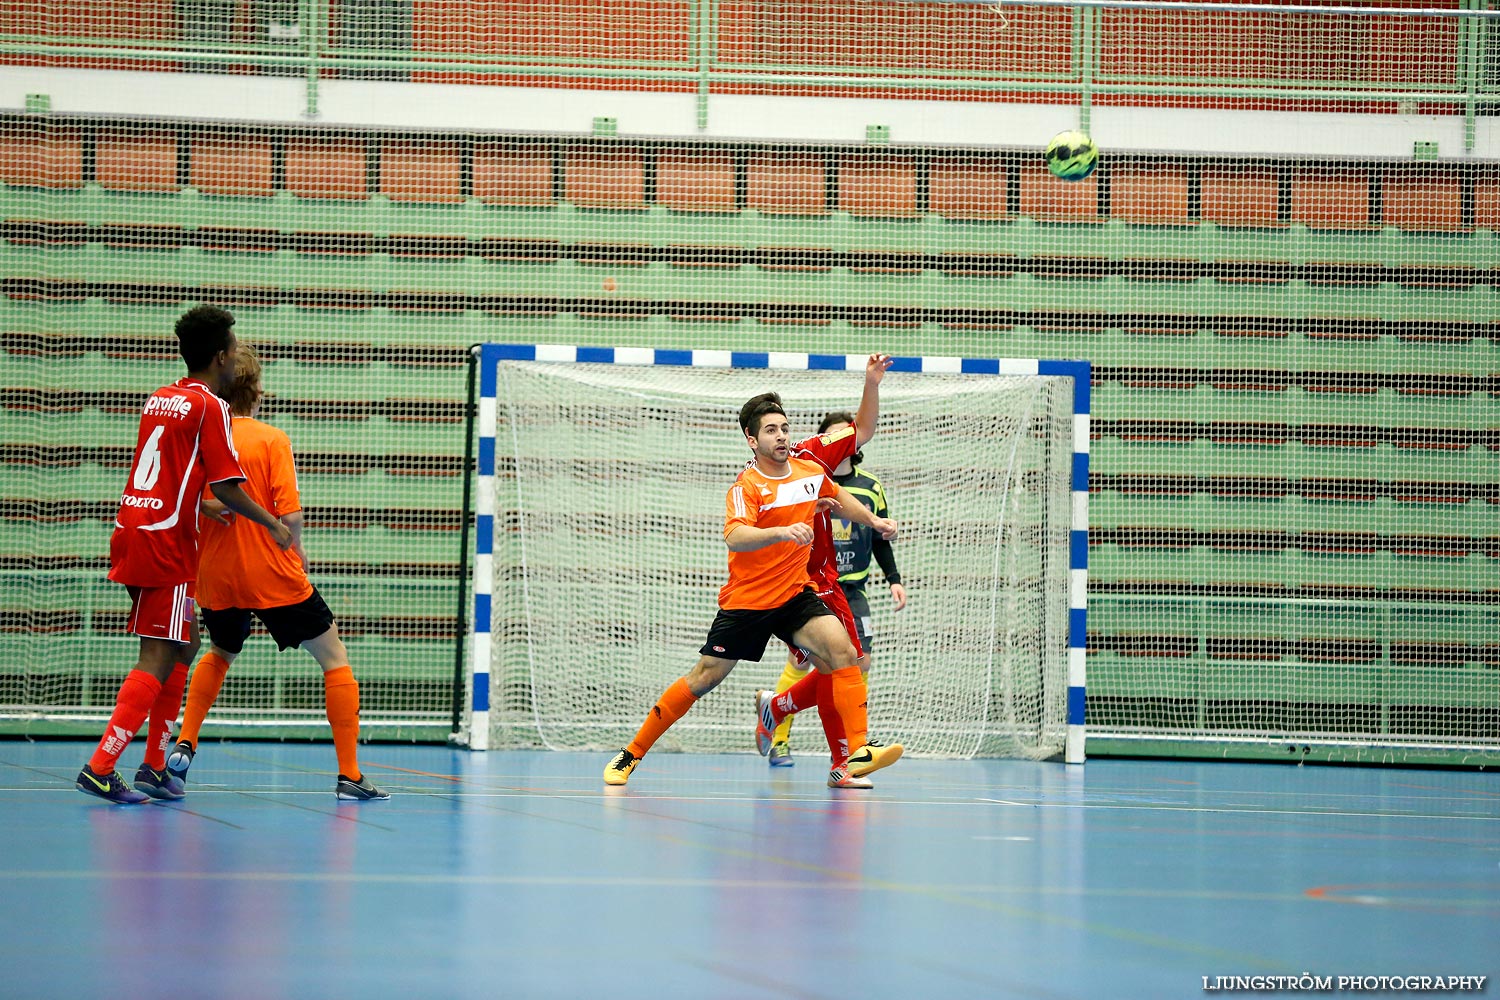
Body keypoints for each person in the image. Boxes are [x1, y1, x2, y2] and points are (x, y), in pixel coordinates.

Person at [603, 387, 904, 789]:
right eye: (770, 431)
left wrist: (875, 522)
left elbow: (838, 496)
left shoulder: (809, 472)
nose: (780, 436)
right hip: (747, 601)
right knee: (703, 678)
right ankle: (632, 753)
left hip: (795, 595)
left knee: (844, 652)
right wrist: (783, 530)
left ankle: (859, 750)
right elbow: (735, 535)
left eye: (783, 428)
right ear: (752, 440)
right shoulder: (746, 486)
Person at [76, 306, 293, 804]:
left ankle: (154, 766)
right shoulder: (210, 407)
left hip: (133, 528)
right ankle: (101, 765)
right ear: (220, 357)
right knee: (157, 654)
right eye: (234, 346)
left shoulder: (162, 397)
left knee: (187, 642)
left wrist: (201, 504)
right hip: (166, 543)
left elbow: (165, 474)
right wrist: (272, 524)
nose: (237, 353)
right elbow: (231, 485)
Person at [165, 345, 389, 801]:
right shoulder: (271, 439)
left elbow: (182, 499)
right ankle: (349, 775)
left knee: (222, 649)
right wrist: (298, 548)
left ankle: (185, 741)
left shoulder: (201, 436)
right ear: (257, 392)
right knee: (334, 656)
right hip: (271, 570)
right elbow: (289, 515)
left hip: (217, 573)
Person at [763, 411, 905, 769]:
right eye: (833, 436)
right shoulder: (786, 473)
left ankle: (844, 756)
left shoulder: (864, 485)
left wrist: (893, 577)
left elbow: (877, 536)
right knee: (815, 664)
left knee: (849, 665)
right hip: (799, 586)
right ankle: (788, 734)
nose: (840, 441)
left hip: (847, 587)